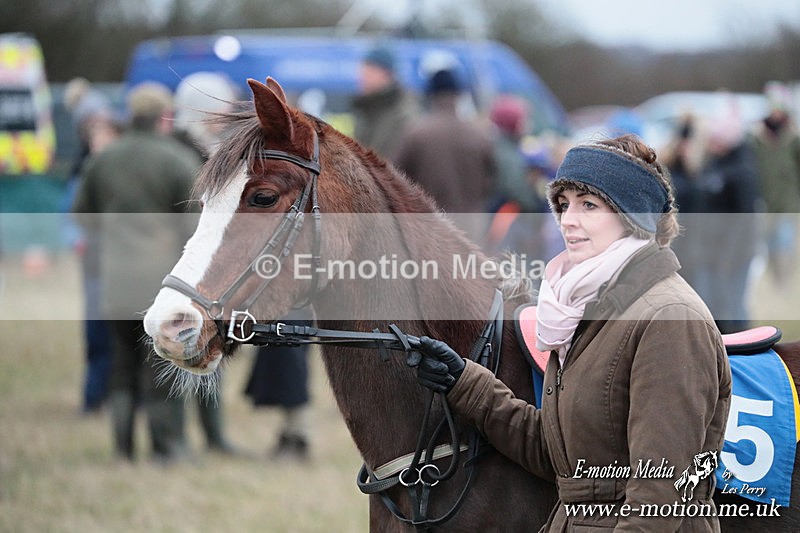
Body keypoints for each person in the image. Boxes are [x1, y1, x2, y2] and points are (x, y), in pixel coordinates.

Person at [412, 134, 732, 531]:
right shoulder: (586, 310)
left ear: (630, 218)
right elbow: (562, 458)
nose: (568, 220)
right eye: (563, 205)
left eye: (589, 205)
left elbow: (657, 500)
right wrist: (466, 384)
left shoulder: (669, 320)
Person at [72, 82, 201, 463]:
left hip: (115, 282)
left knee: (122, 367)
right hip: (162, 287)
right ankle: (168, 448)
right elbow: (196, 228)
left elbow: (81, 215)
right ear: (164, 117)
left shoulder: (104, 159)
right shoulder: (177, 159)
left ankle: (123, 449)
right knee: (164, 365)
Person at [172, 72, 241, 455]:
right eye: (222, 109)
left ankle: (214, 436)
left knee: (209, 345)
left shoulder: (210, 150)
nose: (228, 116)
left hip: (202, 269)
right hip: (182, 268)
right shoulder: (184, 155)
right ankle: (177, 439)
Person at [62, 77, 121, 413]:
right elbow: (72, 214)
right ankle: (94, 397)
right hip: (97, 261)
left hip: (122, 261)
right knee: (98, 332)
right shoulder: (83, 171)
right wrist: (79, 241)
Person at [394, 68, 495, 238]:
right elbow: (491, 183)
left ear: (430, 94)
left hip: (429, 231)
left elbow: (395, 178)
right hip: (471, 230)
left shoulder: (416, 134)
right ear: (458, 94)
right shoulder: (480, 136)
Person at [245, 307, 315, 461]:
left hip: (293, 311)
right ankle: (290, 433)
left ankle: (298, 437)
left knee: (293, 374)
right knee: (286, 372)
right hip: (281, 311)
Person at [750, 86, 800, 286]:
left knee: (784, 242)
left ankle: (784, 280)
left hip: (787, 201)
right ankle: (774, 276)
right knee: (769, 243)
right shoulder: (757, 138)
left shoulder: (793, 138)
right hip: (765, 201)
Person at [352, 45, 419, 159]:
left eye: (369, 71)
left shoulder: (402, 114)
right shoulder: (366, 108)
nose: (361, 77)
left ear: (386, 74)